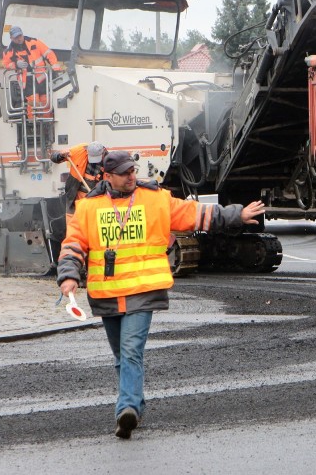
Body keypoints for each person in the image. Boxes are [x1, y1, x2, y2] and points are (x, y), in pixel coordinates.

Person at [56, 150, 265, 439]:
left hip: (144, 289)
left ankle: (126, 409)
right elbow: (73, 244)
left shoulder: (155, 199)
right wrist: (68, 276)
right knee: (121, 357)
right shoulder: (88, 208)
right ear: (108, 176)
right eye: (125, 173)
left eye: (133, 170)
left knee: (130, 351)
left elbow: (194, 214)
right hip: (106, 294)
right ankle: (136, 402)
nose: (132, 176)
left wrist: (236, 215)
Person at [2, 25, 59, 116]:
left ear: (22, 34)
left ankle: (47, 126)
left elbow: (49, 54)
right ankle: (34, 125)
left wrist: (56, 69)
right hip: (27, 82)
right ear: (11, 38)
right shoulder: (8, 51)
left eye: (20, 36)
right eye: (16, 37)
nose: (19, 39)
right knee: (33, 103)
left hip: (42, 79)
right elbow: (6, 64)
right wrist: (16, 64)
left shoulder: (34, 42)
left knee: (46, 103)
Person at [50, 141, 108, 218]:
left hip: (96, 201)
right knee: (72, 224)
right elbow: (53, 157)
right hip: (74, 199)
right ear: (87, 152)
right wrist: (60, 155)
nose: (94, 162)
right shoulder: (79, 150)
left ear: (103, 153)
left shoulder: (110, 161)